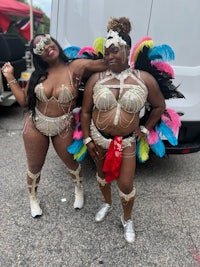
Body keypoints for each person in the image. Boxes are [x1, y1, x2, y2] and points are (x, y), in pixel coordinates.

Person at [1, 33, 107, 218]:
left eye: (46, 41)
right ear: (38, 55)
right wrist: (9, 76)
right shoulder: (38, 75)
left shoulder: (76, 67)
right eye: (39, 47)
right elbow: (24, 101)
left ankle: (79, 189)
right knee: (34, 166)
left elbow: (107, 64)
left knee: (71, 163)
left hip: (63, 125)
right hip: (36, 125)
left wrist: (117, 42)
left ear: (54, 41)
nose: (46, 47)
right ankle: (33, 198)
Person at [80, 17, 166, 243]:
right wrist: (88, 139)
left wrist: (145, 130)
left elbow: (159, 107)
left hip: (126, 141)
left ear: (128, 50)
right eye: (107, 52)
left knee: (126, 184)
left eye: (115, 51)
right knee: (101, 176)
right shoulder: (96, 79)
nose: (109, 56)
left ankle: (127, 219)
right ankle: (107, 203)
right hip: (99, 139)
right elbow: (86, 111)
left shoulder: (143, 79)